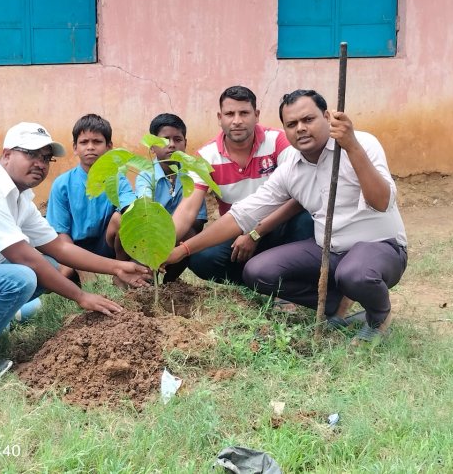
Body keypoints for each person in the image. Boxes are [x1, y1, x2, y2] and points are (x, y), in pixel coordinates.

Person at [0, 122, 151, 383]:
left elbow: (60, 248)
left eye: (45, 158)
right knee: (23, 275)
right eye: (31, 154)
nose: (40, 163)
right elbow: (23, 257)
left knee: (49, 264)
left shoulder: (20, 200)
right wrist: (81, 296)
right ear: (7, 154)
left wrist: (117, 267)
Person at [167, 90, 407, 344]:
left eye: (308, 120)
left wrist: (352, 147)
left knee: (355, 273)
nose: (301, 129)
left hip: (379, 246)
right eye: (292, 124)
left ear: (327, 117)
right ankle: (336, 302)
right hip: (329, 249)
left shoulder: (362, 143)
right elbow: (242, 214)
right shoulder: (291, 166)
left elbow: (381, 202)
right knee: (258, 271)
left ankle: (378, 316)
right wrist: (182, 250)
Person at [171, 85, 313, 287]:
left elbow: (298, 196)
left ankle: (294, 285)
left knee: (308, 221)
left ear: (256, 115)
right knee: (202, 258)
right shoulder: (206, 156)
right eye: (230, 114)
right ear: (220, 118)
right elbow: (187, 210)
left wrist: (256, 233)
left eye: (244, 113)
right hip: (236, 230)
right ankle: (258, 284)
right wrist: (162, 246)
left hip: (282, 225)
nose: (237, 121)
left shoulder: (279, 141)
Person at [46, 114, 136, 283]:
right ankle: (76, 277)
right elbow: (61, 232)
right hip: (74, 247)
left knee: (121, 218)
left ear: (109, 147)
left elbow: (129, 207)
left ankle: (121, 269)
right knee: (59, 275)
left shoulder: (117, 179)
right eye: (84, 142)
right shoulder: (62, 184)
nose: (90, 147)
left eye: (97, 142)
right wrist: (81, 266)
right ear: (75, 147)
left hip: (107, 245)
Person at [134, 113, 208, 281]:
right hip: (150, 234)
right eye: (165, 140)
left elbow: (199, 220)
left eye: (178, 139)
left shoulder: (192, 174)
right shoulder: (146, 175)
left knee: (191, 235)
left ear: (185, 143)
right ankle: (139, 276)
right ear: (152, 146)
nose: (172, 145)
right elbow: (144, 212)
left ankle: (170, 281)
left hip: (179, 237)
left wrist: (172, 238)